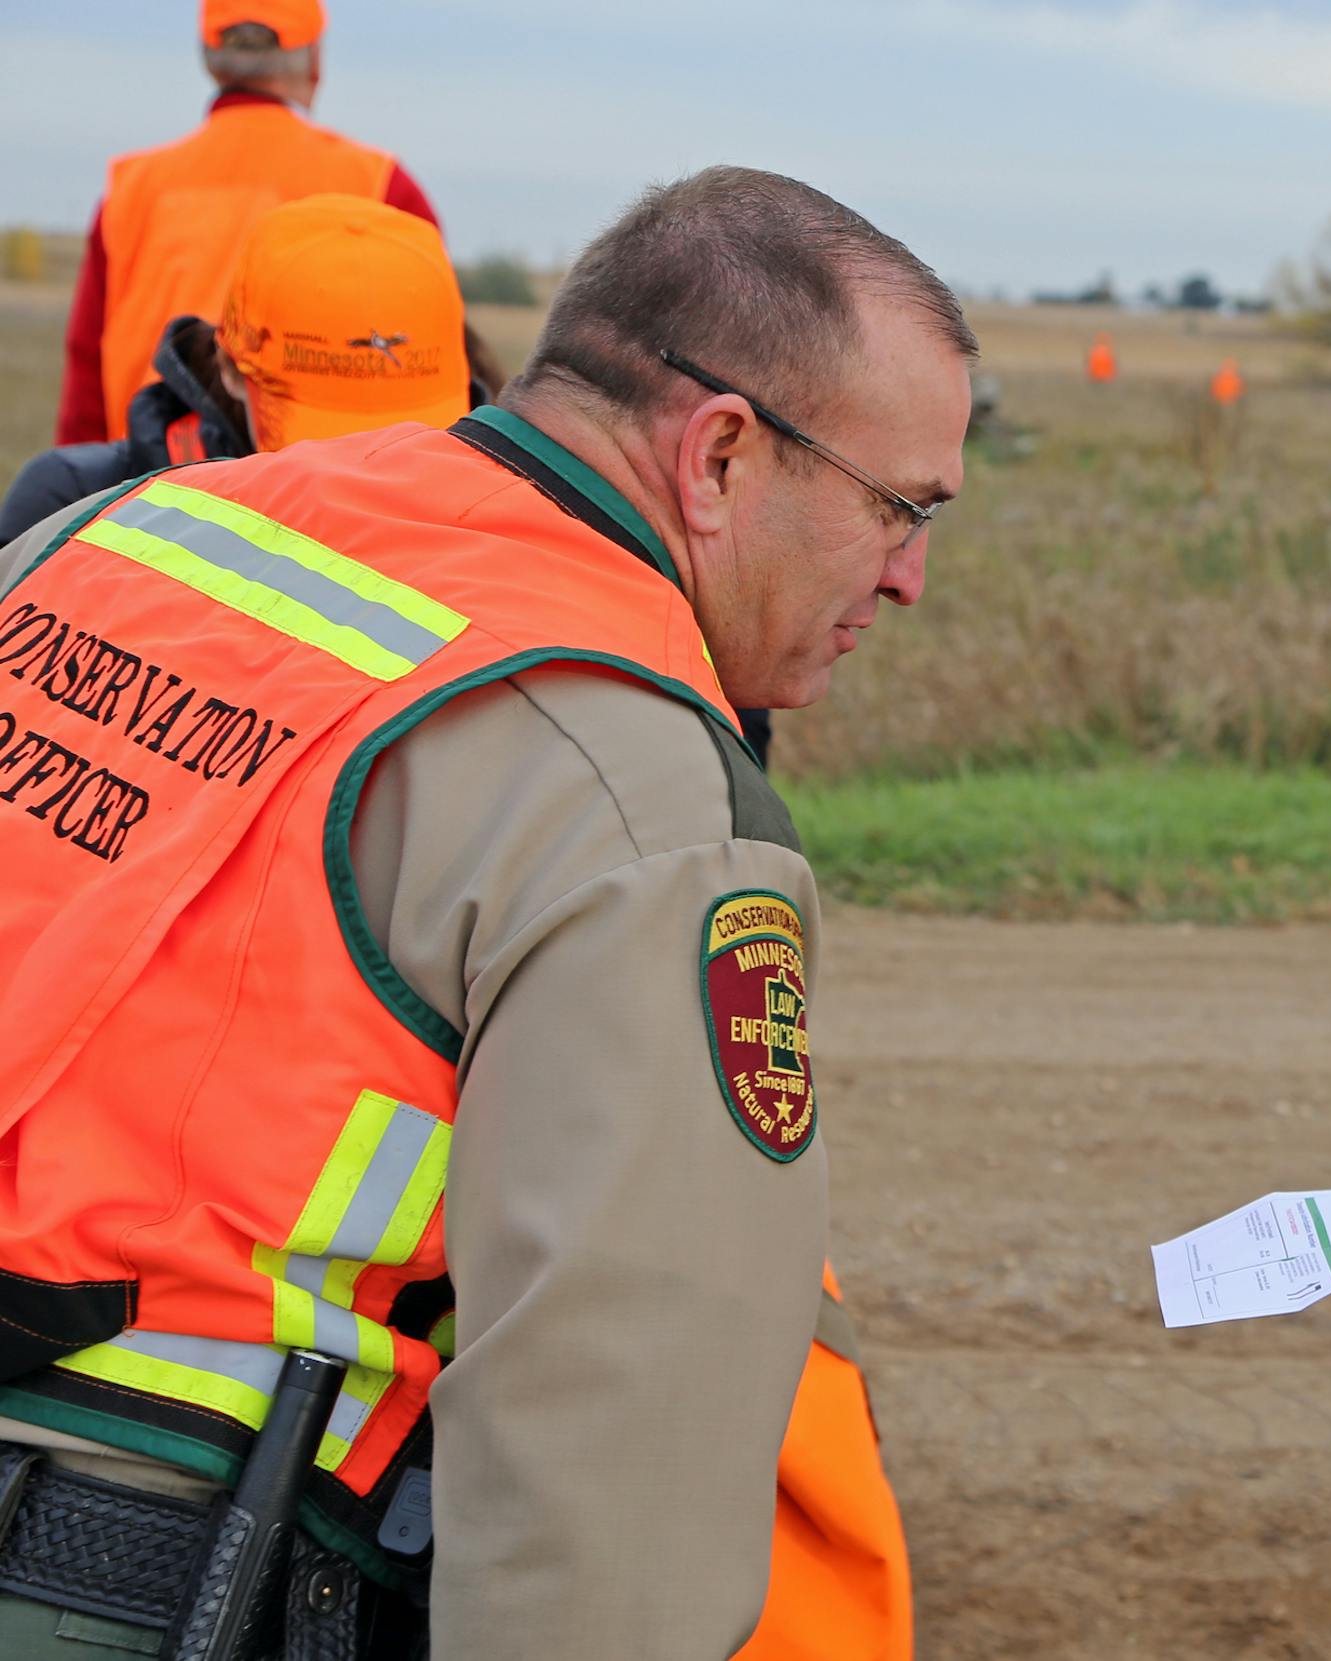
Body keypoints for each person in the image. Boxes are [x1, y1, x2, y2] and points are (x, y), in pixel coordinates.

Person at [0, 164, 972, 1658]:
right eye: (900, 508)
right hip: (143, 1568)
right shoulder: (636, 799)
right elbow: (612, 1456)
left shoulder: (120, 541)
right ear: (718, 454)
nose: (909, 578)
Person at [56, 0, 439, 447]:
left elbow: (85, 387)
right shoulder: (382, 186)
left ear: (209, 57)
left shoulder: (129, 191)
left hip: (146, 494)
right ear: (315, 59)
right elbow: (427, 368)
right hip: (317, 493)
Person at [6, 195, 482, 544]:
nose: (364, 471)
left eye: (407, 437)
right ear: (232, 370)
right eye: (326, 439)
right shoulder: (75, 506)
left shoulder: (494, 525)